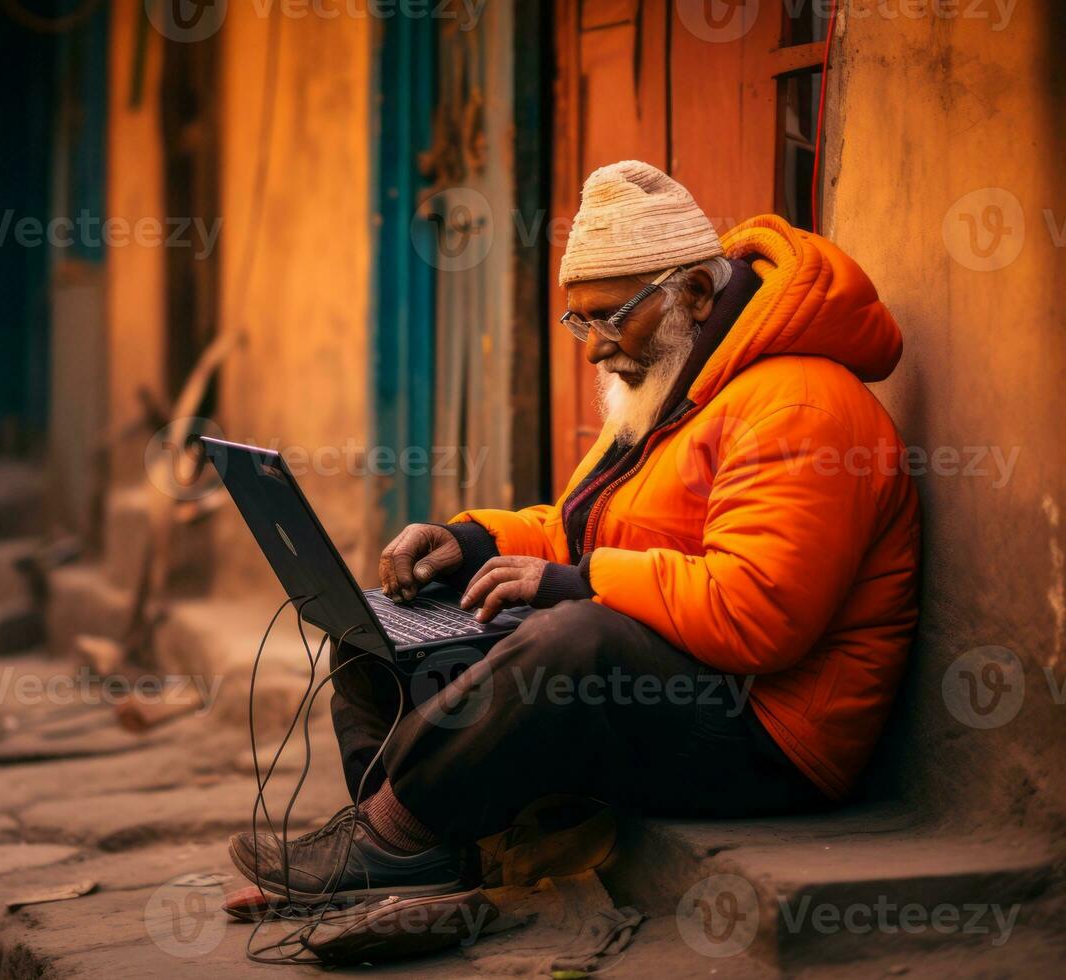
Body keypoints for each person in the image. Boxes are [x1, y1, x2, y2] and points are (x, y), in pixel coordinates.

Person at [229, 161, 920, 904]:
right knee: (378, 626)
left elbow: (757, 616)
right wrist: (470, 544)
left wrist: (576, 583)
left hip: (770, 737)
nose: (593, 347)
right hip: (685, 682)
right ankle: (396, 839)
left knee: (575, 643)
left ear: (692, 293)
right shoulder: (677, 380)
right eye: (580, 320)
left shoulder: (801, 408)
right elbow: (575, 531)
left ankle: (394, 838)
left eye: (613, 317)